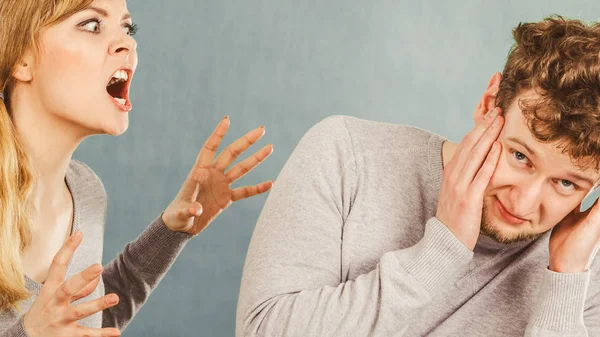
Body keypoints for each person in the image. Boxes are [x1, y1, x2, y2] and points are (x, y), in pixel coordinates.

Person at [236, 16, 600, 337]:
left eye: (566, 183)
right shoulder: (347, 156)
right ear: (489, 103)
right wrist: (442, 249)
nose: (523, 202)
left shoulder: (582, 271)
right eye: (520, 156)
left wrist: (565, 282)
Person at [0, 0, 274, 336]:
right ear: (21, 59)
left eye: (127, 28)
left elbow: (90, 322)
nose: (127, 43)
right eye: (91, 25)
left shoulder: (85, 191)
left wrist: (171, 230)